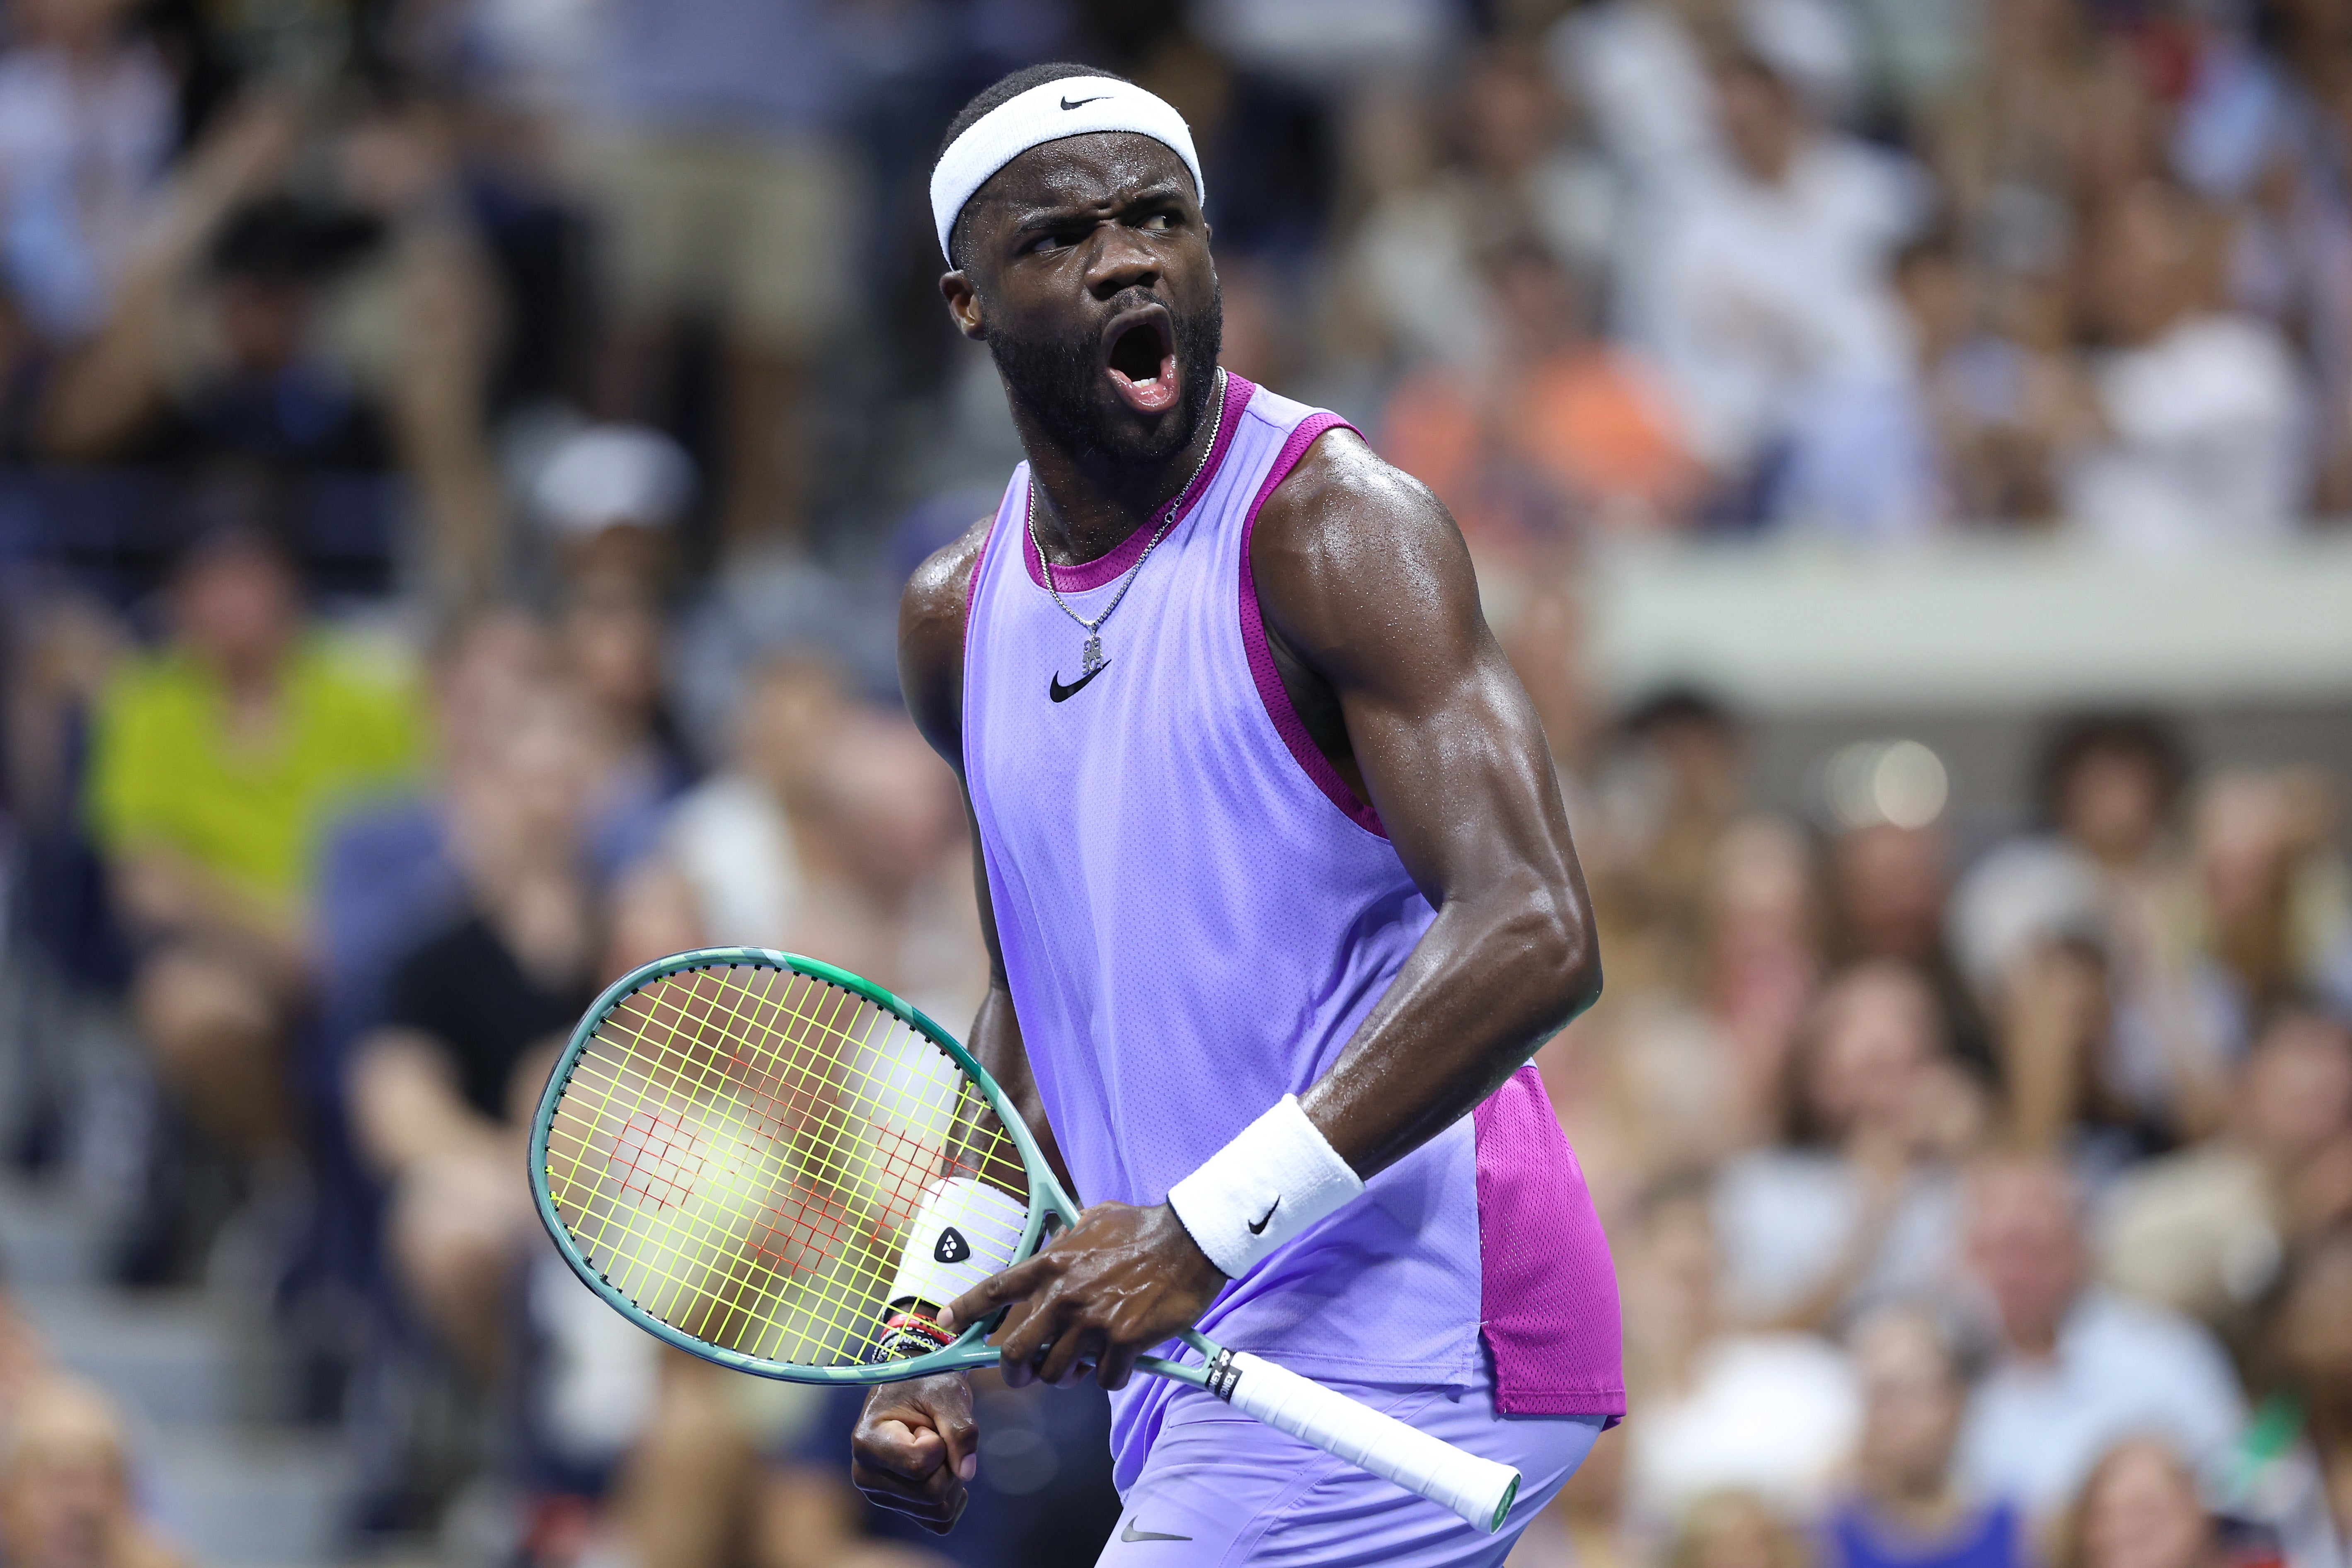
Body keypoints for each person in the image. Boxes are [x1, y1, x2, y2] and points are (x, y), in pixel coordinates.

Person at [852, 63, 1621, 1566]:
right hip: (1230, 1347)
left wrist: (1196, 1228)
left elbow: (1534, 927)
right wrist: (928, 1321)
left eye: (1160, 221)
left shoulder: (1332, 523)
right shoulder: (953, 613)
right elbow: (1031, 991)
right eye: (1060, 241)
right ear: (966, 303)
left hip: (1419, 1311)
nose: (1125, 257)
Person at [87, 517, 421, 1163]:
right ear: (178, 599)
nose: (231, 603)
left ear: (289, 588)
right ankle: (283, 1172)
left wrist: (336, 937)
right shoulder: (145, 701)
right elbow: (146, 882)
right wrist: (285, 936)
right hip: (235, 955)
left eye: (249, 580)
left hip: (364, 945)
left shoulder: (370, 694)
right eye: (209, 583)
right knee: (187, 1007)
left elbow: (419, 836)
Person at [1952, 1153, 2247, 1520]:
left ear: (2078, 1249)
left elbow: (2239, 1482)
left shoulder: (2163, 1351)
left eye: (2028, 1249)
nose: (2009, 1273)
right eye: (1991, 1251)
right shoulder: (1959, 1383)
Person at [1823, 1304, 2027, 1568]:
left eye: (1904, 1394)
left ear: (1958, 1401)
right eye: (1876, 1397)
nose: (1888, 1418)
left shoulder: (2019, 1534)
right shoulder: (1820, 1537)